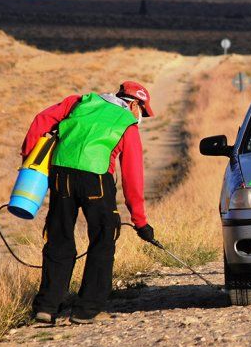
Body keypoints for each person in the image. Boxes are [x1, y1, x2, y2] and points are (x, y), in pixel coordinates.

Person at [21, 81, 157, 324]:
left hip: (61, 175)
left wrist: (29, 161)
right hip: (97, 180)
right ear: (134, 104)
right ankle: (87, 310)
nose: (141, 118)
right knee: (103, 241)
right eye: (143, 112)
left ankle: (46, 307)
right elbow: (133, 178)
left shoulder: (80, 101)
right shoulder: (128, 125)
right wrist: (140, 221)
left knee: (59, 239)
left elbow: (41, 119)